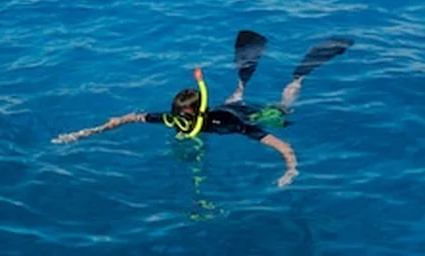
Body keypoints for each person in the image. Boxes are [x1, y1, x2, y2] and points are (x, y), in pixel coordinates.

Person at [51, 31, 353, 187]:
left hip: (246, 115)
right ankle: (242, 81)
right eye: (176, 116)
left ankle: (299, 76)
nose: (177, 122)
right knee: (236, 94)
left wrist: (291, 169)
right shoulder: (173, 118)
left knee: (284, 108)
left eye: (183, 117)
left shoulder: (225, 126)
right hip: (225, 107)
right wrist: (86, 133)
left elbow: (280, 144)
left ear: (195, 114)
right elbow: (129, 117)